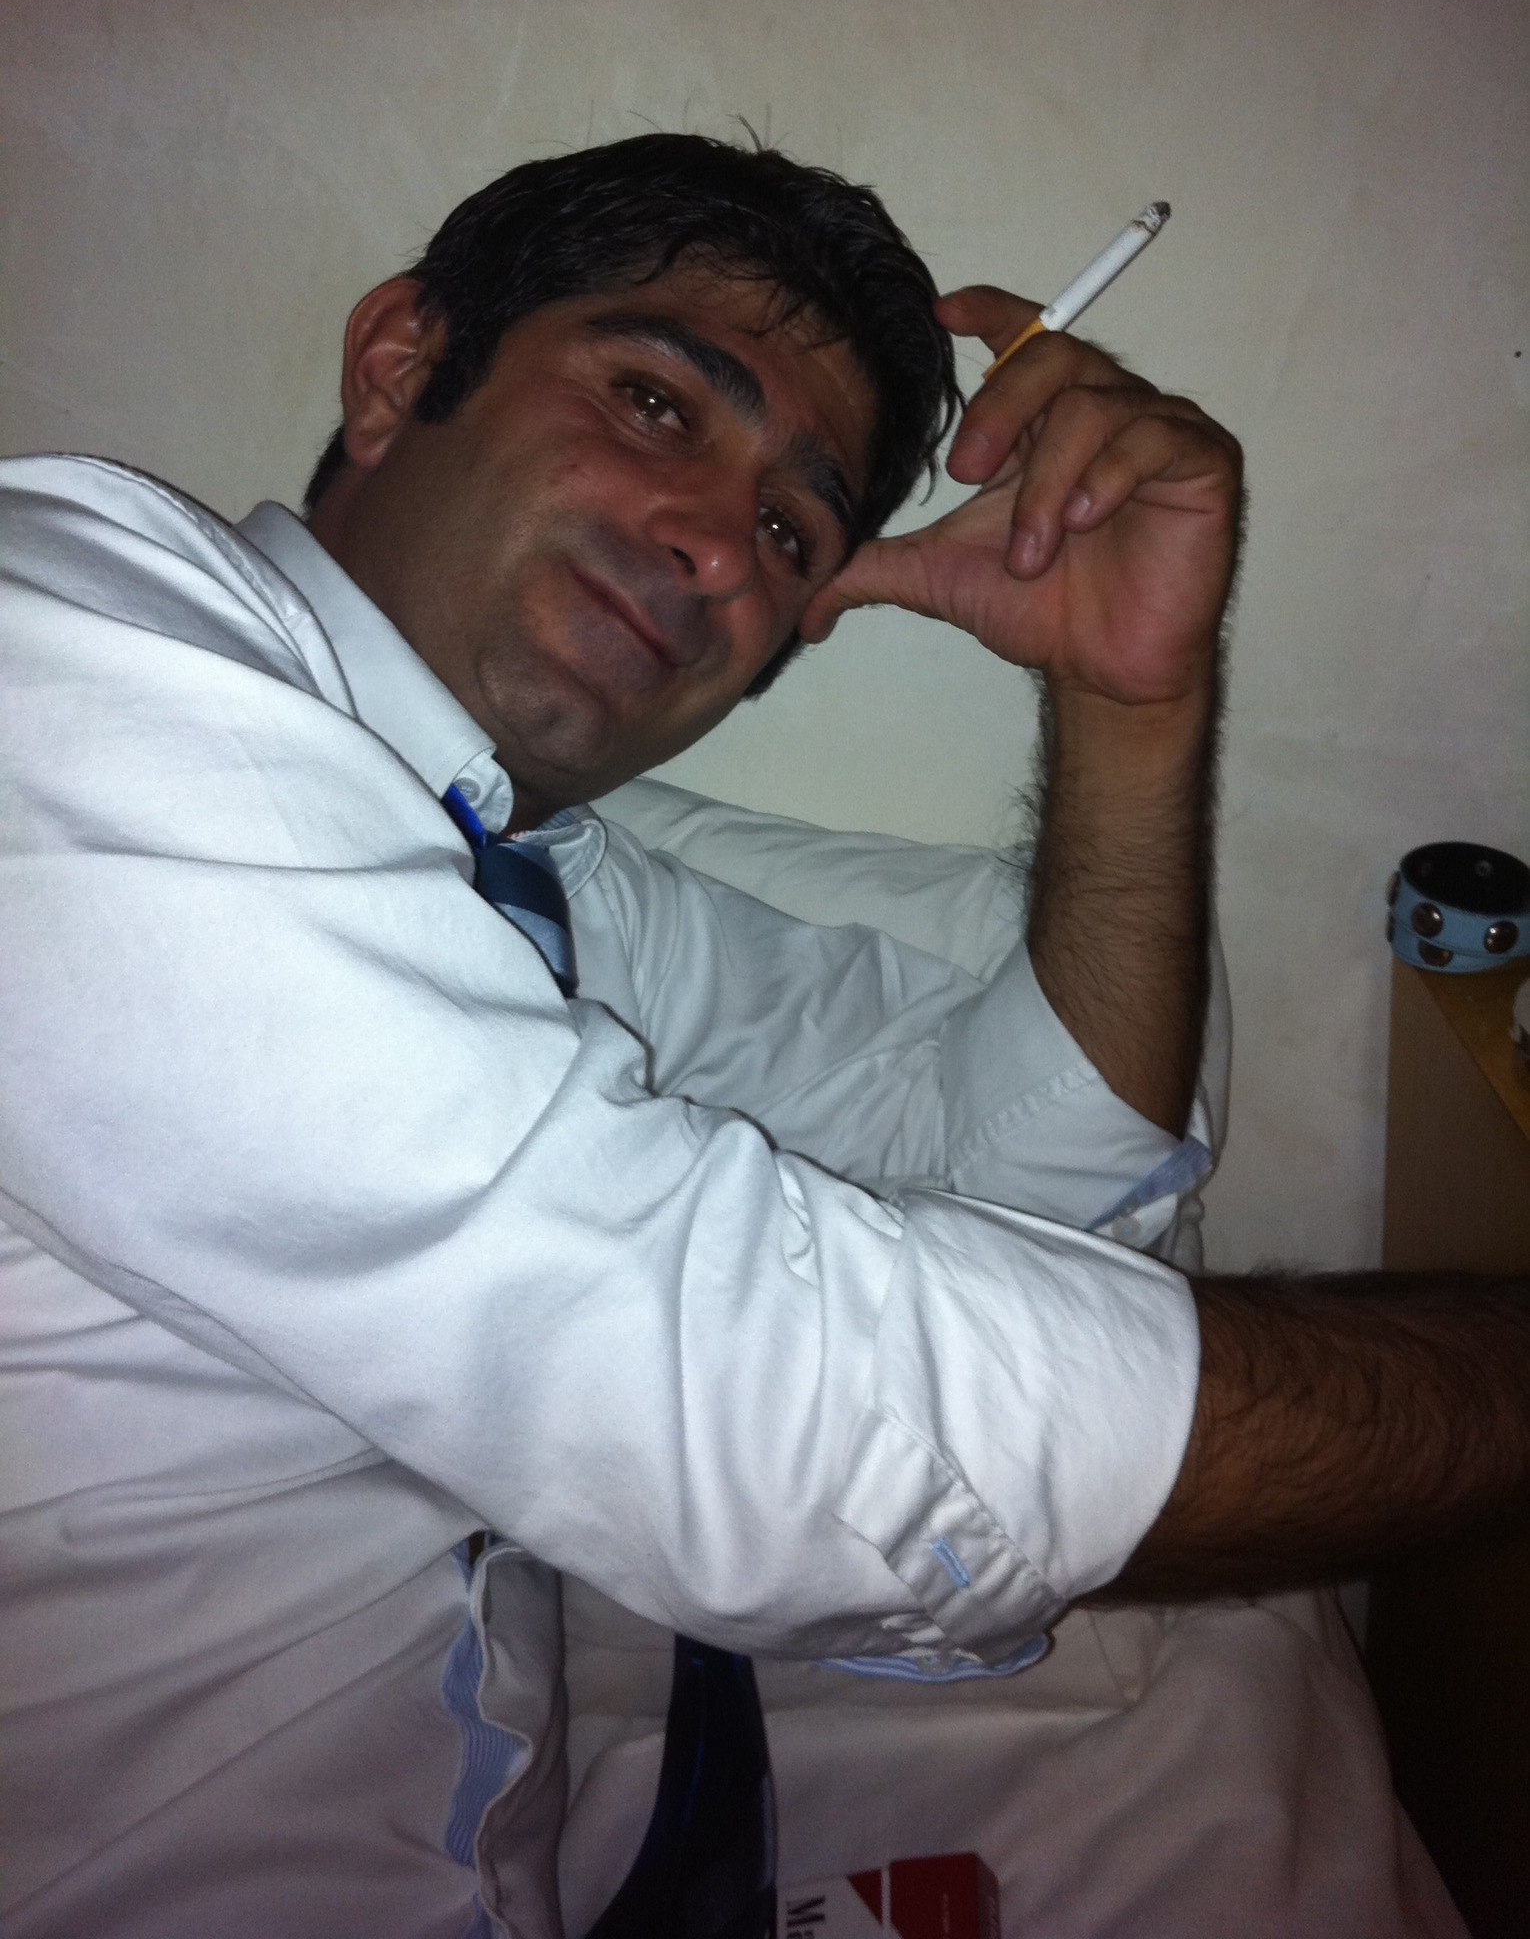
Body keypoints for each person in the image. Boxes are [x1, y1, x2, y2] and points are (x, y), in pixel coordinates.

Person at [0, 133, 1522, 1938]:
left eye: (794, 530)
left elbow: (1021, 1186)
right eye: (653, 402)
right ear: (403, 365)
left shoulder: (555, 893)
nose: (719, 544)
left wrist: (1129, 705)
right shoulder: (62, 651)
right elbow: (785, 1421)